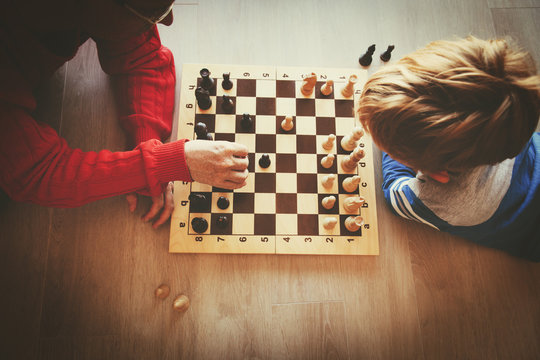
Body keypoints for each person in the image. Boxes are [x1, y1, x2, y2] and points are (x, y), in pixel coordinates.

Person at [0, 0, 249, 228]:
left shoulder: (97, 8)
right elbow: (33, 172)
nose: (168, 21)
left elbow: (143, 57)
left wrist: (147, 150)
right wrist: (165, 164)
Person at [357, 36, 540, 261]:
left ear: (438, 174)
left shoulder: (434, 199)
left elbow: (395, 193)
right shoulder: (509, 117)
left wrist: (388, 135)